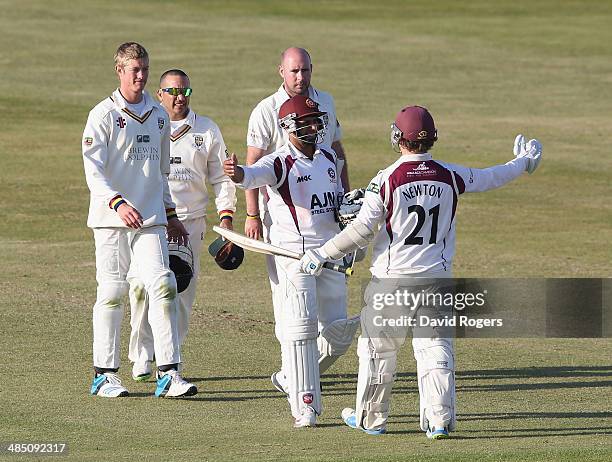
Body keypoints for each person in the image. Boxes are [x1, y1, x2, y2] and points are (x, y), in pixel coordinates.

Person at [300, 105, 543, 438]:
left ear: (397, 137)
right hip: (436, 280)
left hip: (392, 281)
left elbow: (361, 231)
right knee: (435, 348)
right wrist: (524, 162)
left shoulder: (385, 179)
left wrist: (321, 253)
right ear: (432, 139)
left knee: (377, 351)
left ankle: (372, 420)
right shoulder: (450, 175)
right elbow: (491, 176)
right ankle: (439, 420)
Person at [224, 94, 358, 428]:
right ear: (288, 127)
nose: (314, 127)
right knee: (300, 330)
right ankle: (306, 408)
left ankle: (290, 375)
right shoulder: (279, 162)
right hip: (293, 256)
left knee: (338, 334)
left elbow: (335, 203)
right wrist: (236, 172)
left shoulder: (329, 158)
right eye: (306, 123)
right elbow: (252, 175)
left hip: (331, 254)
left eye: (316, 121)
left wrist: (350, 214)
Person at [82, 42, 197, 398]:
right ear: (119, 71)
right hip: (111, 218)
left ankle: (169, 373)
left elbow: (160, 173)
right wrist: (117, 203)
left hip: (149, 219)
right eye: (134, 70)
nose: (141, 76)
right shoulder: (103, 114)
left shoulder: (159, 115)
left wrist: (171, 214)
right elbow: (93, 169)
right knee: (114, 291)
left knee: (164, 285)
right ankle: (104, 374)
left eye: (145, 69)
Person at [245, 47, 354, 391]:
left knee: (329, 308)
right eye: (294, 71)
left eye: (305, 70)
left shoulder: (326, 102)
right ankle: (293, 370)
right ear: (281, 71)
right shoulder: (266, 109)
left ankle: (298, 373)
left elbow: (336, 152)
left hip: (325, 212)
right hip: (281, 216)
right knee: (290, 302)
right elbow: (252, 165)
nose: (300, 77)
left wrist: (346, 200)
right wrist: (251, 214)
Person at [127, 69, 237, 381]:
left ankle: (169, 359)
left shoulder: (207, 130)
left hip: (191, 225)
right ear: (159, 94)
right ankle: (141, 354)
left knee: (181, 292)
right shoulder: (147, 125)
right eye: (172, 91)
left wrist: (226, 219)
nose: (179, 98)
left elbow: (221, 178)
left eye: (185, 92)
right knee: (141, 289)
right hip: (150, 221)